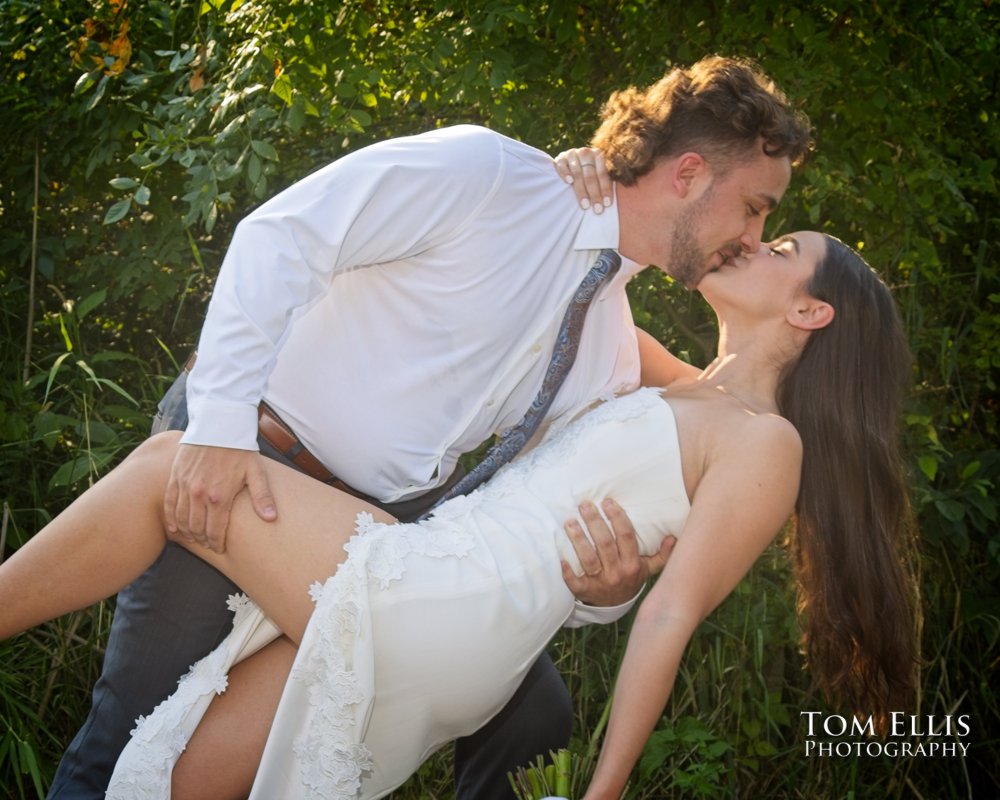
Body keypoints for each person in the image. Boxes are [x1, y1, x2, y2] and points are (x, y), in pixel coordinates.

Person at [46, 55, 811, 799]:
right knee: (131, 739)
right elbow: (281, 237)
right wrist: (218, 429)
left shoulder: (609, 345)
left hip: (369, 534)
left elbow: (553, 507)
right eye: (755, 208)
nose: (751, 237)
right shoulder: (492, 177)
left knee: (524, 710)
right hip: (246, 448)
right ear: (687, 174)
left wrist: (605, 593)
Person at [1, 231, 920, 799]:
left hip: (456, 604)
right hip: (439, 578)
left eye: (781, 248)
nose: (754, 244)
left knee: (178, 467)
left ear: (810, 312)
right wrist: (586, 172)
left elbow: (670, 613)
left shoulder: (771, 445)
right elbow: (560, 288)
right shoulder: (675, 385)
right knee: (175, 780)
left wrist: (601, 793)